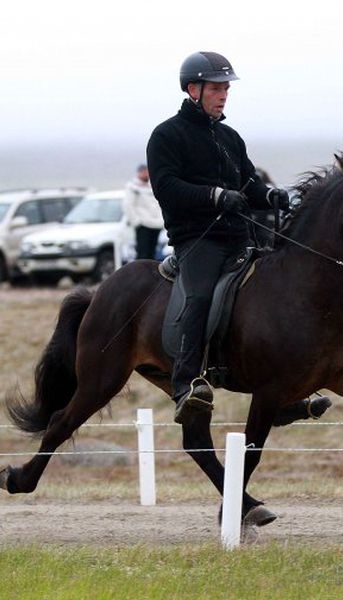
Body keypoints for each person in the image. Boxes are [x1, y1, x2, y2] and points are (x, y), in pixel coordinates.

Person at [146, 51, 290, 424]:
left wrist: (270, 195)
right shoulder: (166, 135)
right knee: (199, 295)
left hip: (239, 235)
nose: (223, 95)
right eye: (216, 88)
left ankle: (286, 384)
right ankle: (186, 384)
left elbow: (248, 182)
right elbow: (166, 187)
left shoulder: (229, 137)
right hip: (197, 239)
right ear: (193, 89)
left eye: (226, 88)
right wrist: (214, 195)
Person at [123, 164, 164, 259]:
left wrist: (161, 220)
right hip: (143, 225)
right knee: (143, 253)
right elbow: (128, 205)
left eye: (147, 171)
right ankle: (141, 273)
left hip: (156, 224)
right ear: (139, 173)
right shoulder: (133, 187)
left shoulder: (151, 186)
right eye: (144, 172)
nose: (146, 174)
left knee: (152, 253)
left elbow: (157, 204)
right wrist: (137, 221)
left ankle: (151, 273)